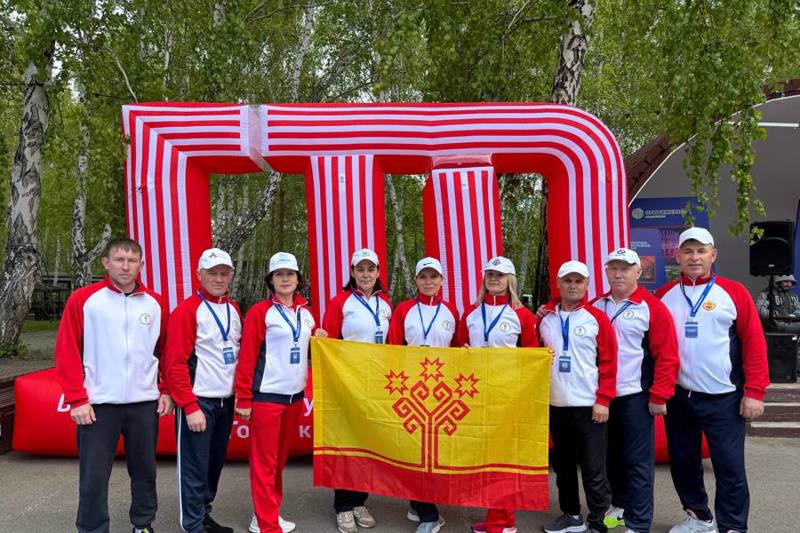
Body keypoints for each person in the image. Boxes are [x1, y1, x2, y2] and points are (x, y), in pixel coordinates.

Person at [55, 237, 174, 533]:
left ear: (141, 266)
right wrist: (77, 399)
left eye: (132, 261)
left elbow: (167, 351)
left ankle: (143, 525)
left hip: (143, 403)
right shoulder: (84, 299)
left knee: (145, 471)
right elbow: (67, 350)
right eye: (119, 260)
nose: (125, 266)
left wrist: (168, 390)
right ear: (106, 263)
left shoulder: (156, 303)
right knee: (94, 475)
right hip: (98, 405)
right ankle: (93, 528)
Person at [656, 227, 769, 533]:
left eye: (701, 251)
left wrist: (755, 391)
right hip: (680, 397)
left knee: (729, 467)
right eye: (688, 251)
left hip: (724, 398)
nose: (694, 257)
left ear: (713, 255)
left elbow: (754, 343)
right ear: (677, 256)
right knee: (683, 462)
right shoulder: (664, 294)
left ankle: (732, 526)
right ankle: (699, 517)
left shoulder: (733, 292)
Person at [591, 248, 680, 533]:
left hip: (635, 396)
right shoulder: (596, 305)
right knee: (610, 458)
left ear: (638, 272)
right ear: (606, 271)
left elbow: (667, 354)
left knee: (638, 463)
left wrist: (659, 394)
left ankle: (639, 523)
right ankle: (620, 506)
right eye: (613, 268)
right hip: (602, 397)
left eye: (625, 268)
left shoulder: (651, 307)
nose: (618, 273)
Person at [454, 256, 539, 533]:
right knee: (485, 457)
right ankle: (494, 516)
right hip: (476, 395)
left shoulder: (522, 315)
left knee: (503, 458)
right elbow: (457, 348)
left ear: (510, 280)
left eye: (500, 275)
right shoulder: (471, 312)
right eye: (490, 274)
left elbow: (532, 356)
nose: (494, 279)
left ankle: (504, 521)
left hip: (508, 395)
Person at [234, 252, 314, 533]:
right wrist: (244, 397)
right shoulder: (260, 312)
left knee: (278, 462)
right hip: (266, 397)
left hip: (294, 398)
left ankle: (267, 512)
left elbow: (310, 349)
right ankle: (267, 524)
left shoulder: (306, 314)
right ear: (271, 280)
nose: (285, 279)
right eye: (279, 275)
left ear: (298, 279)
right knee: (264, 463)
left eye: (289, 274)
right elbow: (247, 357)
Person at [164, 248, 242, 533]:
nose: (219, 278)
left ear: (231, 276)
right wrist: (189, 405)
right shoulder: (187, 310)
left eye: (224, 273)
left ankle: (204, 514)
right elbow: (174, 363)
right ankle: (192, 524)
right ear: (199, 275)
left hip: (225, 401)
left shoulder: (233, 309)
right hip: (199, 402)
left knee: (214, 465)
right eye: (212, 273)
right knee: (194, 468)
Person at [538, 260, 617, 533]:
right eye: (568, 281)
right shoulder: (545, 320)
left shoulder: (597, 318)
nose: (573, 286)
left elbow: (608, 361)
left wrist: (603, 399)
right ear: (558, 284)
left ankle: (598, 521)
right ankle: (571, 515)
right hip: (556, 404)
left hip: (589, 405)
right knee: (563, 466)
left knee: (594, 468)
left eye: (578, 281)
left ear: (586, 286)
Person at [321, 248, 393, 533]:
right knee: (346, 444)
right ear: (352, 273)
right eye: (360, 269)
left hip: (375, 384)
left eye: (370, 269)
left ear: (377, 273)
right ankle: (343, 505)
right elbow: (327, 340)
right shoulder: (340, 302)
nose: (365, 274)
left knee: (367, 444)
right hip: (346, 383)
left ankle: (360, 500)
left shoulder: (386, 305)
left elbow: (393, 346)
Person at [387, 257, 459, 533]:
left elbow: (460, 350)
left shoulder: (451, 311)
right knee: (413, 451)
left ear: (441, 280)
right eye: (423, 277)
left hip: (442, 392)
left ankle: (422, 504)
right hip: (412, 390)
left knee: (434, 452)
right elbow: (392, 348)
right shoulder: (404, 309)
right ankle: (427, 512)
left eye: (434, 277)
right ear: (416, 280)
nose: (428, 282)